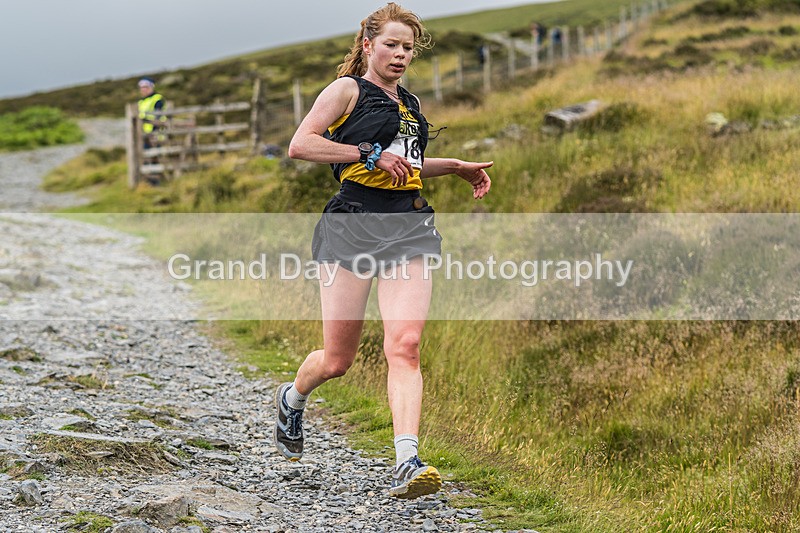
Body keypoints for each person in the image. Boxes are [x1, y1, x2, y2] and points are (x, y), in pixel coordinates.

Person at [274, 2, 492, 500]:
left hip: (408, 225)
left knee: (406, 345)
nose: (399, 54)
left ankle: (406, 460)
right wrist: (367, 152)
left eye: (408, 48)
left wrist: (454, 165)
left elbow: (405, 165)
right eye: (391, 44)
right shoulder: (346, 90)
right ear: (368, 45)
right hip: (351, 225)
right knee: (337, 360)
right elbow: (301, 145)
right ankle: (292, 396)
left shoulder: (409, 103)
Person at [137, 77, 165, 149]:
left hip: (155, 134)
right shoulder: (141, 101)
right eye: (141, 87)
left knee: (154, 157)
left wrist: (153, 133)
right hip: (144, 134)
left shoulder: (157, 99)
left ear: (152, 87)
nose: (143, 90)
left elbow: (158, 116)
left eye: (146, 87)